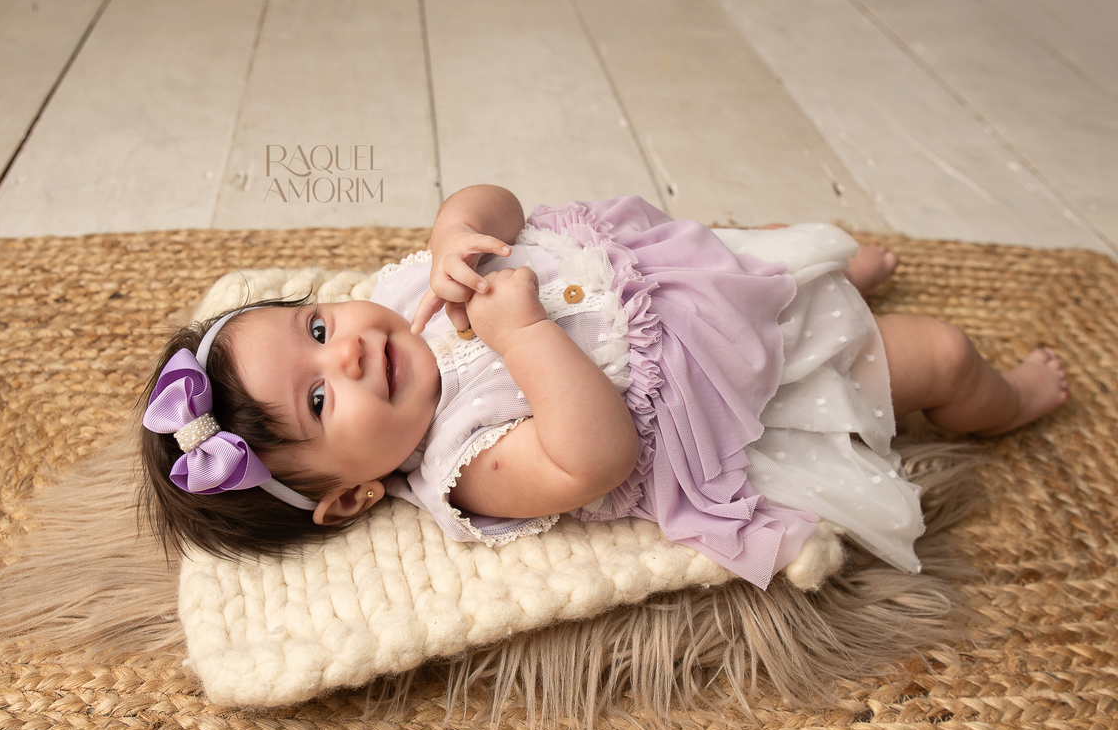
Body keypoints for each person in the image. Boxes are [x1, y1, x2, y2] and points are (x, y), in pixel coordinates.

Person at [139, 186, 1068, 582]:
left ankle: (812, 274)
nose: (343, 353)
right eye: (317, 402)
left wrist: (454, 227)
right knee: (942, 356)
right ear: (349, 496)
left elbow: (500, 205)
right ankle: (1007, 403)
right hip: (745, 389)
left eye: (314, 328)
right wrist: (524, 336)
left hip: (687, 279)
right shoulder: (464, 465)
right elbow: (596, 456)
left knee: (784, 253)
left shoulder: (399, 294)